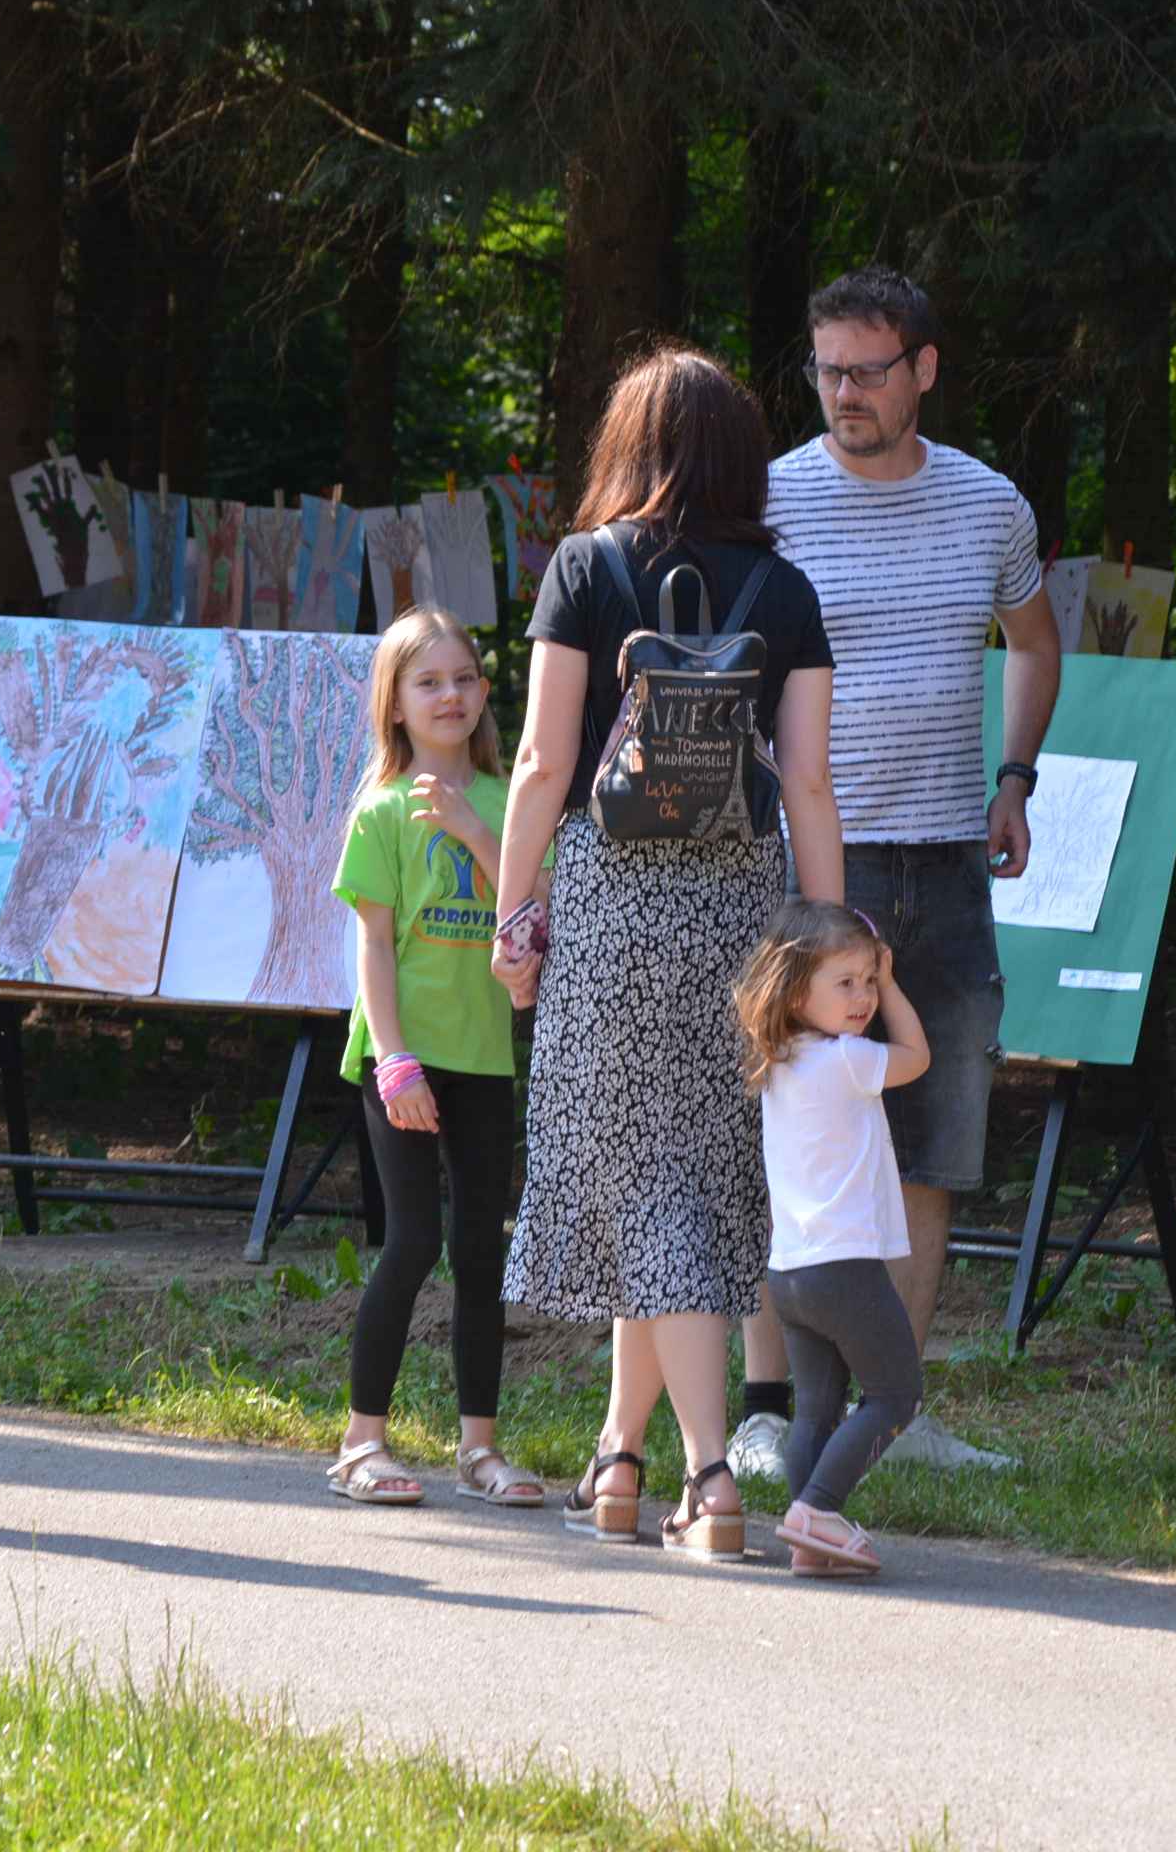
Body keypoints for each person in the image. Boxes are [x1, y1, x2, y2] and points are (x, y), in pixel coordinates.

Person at [491, 345, 843, 1560]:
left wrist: (512, 908)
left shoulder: (585, 568)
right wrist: (826, 937)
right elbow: (805, 779)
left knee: (652, 1188)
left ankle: (706, 1474)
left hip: (610, 904)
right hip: (740, 912)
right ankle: (618, 1456)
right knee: (680, 1180)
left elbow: (540, 764)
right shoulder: (786, 588)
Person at [732, 266, 1061, 1482]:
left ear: (924, 367)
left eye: (867, 368)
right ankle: (769, 1407)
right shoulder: (768, 499)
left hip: (945, 858)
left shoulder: (988, 504)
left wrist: (1014, 774)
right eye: (824, 368)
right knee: (792, 1126)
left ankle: (896, 1412)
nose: (842, 392)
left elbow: (1033, 639)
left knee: (935, 1128)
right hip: (809, 860)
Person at [324, 607, 546, 1511]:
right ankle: (360, 1443)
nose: (449, 695)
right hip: (403, 1061)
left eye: (463, 679)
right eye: (428, 682)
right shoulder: (379, 810)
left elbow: (525, 908)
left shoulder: (511, 803)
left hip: (485, 1058)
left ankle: (479, 1449)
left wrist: (470, 826)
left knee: (478, 1252)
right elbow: (375, 948)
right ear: (397, 704)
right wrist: (396, 1061)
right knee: (412, 1242)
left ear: (485, 695)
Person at [732, 901, 934, 1575]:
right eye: (846, 982)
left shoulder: (779, 1061)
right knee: (895, 1395)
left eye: (870, 982)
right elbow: (917, 1057)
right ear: (796, 992)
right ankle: (817, 1507)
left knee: (815, 1409)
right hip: (846, 1266)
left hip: (790, 1272)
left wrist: (873, 975)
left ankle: (805, 1536)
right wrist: (900, 986)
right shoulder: (847, 1059)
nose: (864, 997)